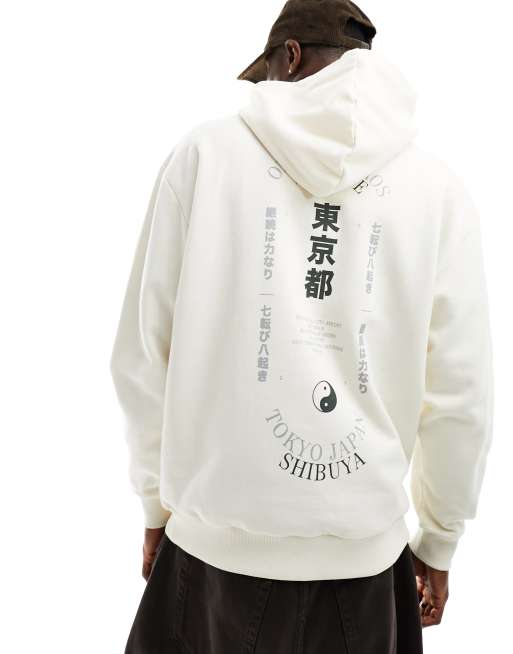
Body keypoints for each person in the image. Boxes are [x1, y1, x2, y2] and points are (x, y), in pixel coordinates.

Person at [110, 1, 494, 652]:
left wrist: (156, 501)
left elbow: (144, 353)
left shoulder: (204, 156)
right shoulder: (437, 190)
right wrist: (438, 540)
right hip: (364, 566)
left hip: (213, 556)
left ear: (287, 58)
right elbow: (460, 391)